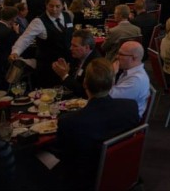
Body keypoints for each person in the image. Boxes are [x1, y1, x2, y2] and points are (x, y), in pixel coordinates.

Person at [55, 57, 139, 189]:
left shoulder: (69, 122)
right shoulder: (131, 107)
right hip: (122, 171)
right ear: (113, 83)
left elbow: (63, 155)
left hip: (84, 180)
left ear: (84, 84)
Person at [10, 0, 73, 88]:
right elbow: (25, 38)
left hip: (66, 64)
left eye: (57, 6)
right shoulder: (38, 21)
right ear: (46, 5)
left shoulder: (67, 16)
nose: (54, 9)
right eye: (51, 6)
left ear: (63, 5)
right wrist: (15, 52)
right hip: (47, 67)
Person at [52, 29, 102, 98]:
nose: (70, 48)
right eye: (71, 45)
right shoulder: (77, 56)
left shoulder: (96, 64)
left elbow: (84, 92)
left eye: (75, 46)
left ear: (87, 47)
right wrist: (66, 71)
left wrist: (65, 75)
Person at [110, 41, 150, 118]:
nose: (117, 57)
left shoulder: (136, 80)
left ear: (133, 58)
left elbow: (109, 97)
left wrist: (112, 75)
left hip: (125, 118)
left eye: (121, 54)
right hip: (121, 110)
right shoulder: (129, 71)